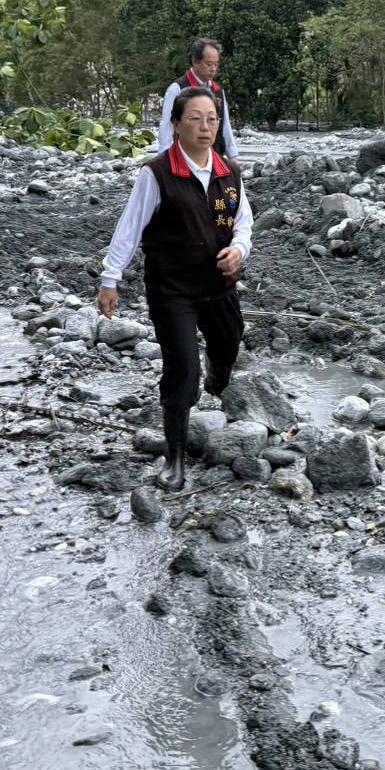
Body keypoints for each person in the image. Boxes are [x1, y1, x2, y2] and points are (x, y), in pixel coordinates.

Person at [98, 86, 252, 489]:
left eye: (212, 119)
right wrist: (110, 279)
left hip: (218, 284)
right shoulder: (157, 173)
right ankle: (175, 458)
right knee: (182, 366)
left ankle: (218, 377)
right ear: (177, 124)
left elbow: (243, 223)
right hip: (172, 288)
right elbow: (128, 228)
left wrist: (238, 250)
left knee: (229, 340)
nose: (205, 127)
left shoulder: (229, 171)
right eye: (195, 119)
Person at [158, 38, 239, 158]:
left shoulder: (218, 91)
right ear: (195, 61)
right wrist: (165, 157)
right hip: (184, 157)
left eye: (216, 64)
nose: (213, 69)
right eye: (209, 64)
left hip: (214, 157)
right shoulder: (178, 89)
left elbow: (225, 126)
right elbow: (166, 126)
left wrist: (233, 156)